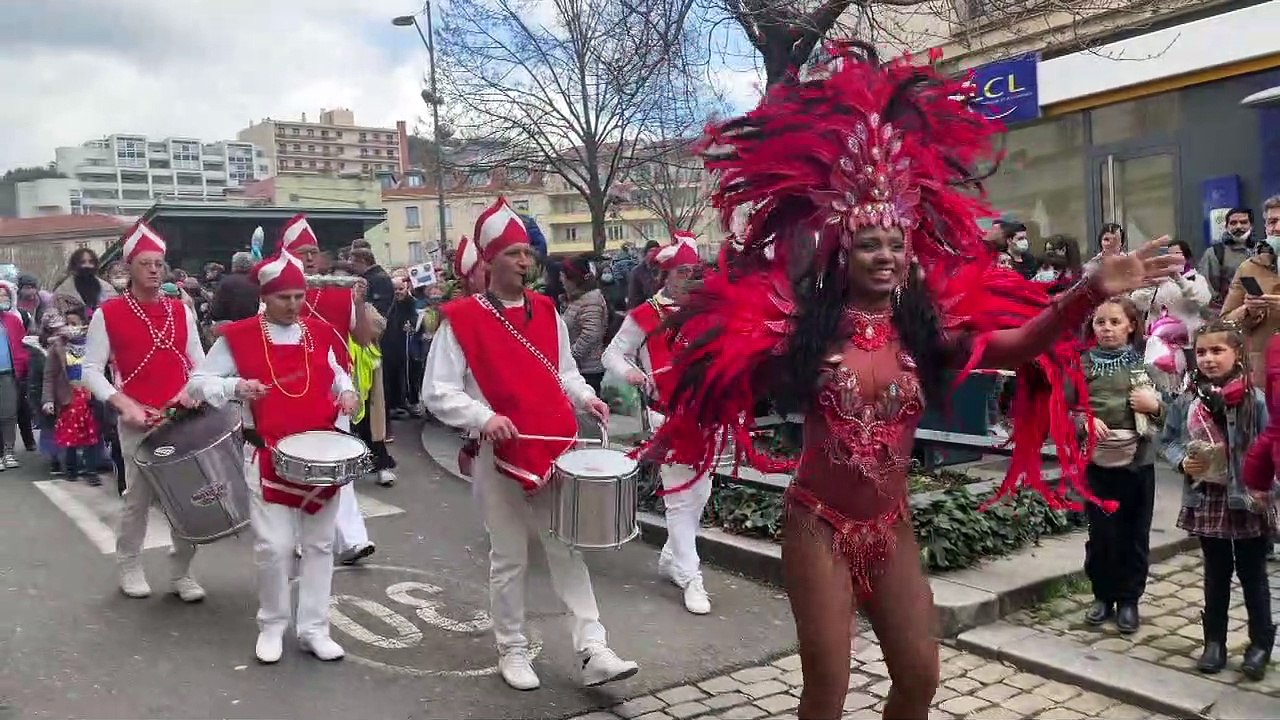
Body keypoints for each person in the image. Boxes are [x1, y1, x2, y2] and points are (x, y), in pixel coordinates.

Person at [638, 45, 1182, 720]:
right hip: (819, 526)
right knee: (827, 689)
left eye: (896, 245)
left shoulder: (927, 331)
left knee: (920, 678)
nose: (887, 256)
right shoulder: (802, 330)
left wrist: (1086, 290)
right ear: (844, 251)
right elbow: (723, 378)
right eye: (871, 245)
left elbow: (1016, 348)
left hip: (889, 526)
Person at [423, 196, 638, 692]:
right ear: (490, 259)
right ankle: (512, 648)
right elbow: (437, 391)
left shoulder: (546, 310)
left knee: (567, 548)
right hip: (496, 454)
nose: (525, 262)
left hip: (551, 446)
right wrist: (483, 417)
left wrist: (586, 396)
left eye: (528, 253)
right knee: (510, 556)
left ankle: (593, 648)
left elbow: (561, 370)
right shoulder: (461, 319)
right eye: (514, 253)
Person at [187, 251, 360, 664]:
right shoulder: (240, 336)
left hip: (320, 454)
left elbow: (338, 373)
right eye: (285, 297)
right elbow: (197, 383)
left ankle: (315, 628)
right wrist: (236, 389)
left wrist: (347, 392)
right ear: (266, 296)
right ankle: (272, 625)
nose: (295, 304)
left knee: (319, 546)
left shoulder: (318, 332)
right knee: (275, 547)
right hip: (265, 455)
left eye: (300, 296)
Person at [82, 221, 206, 601]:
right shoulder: (109, 314)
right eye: (145, 263)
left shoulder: (181, 311)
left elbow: (199, 363)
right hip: (137, 421)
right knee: (136, 499)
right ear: (128, 268)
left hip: (182, 420)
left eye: (159, 264)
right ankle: (129, 563)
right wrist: (123, 404)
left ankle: (182, 570)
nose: (154, 270)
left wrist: (191, 394)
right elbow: (89, 370)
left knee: (187, 499)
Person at [602, 233, 711, 615]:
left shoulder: (707, 309)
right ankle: (690, 574)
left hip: (707, 413)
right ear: (667, 274)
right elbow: (613, 354)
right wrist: (632, 375)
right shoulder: (645, 315)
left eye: (695, 271)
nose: (690, 278)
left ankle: (671, 556)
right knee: (680, 496)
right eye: (683, 272)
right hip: (665, 413)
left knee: (701, 492)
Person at [1162, 320, 1272, 680]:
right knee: (1216, 573)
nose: (1208, 358)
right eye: (1202, 352)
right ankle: (1215, 641)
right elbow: (1170, 438)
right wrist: (1183, 460)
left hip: (1248, 498)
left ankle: (1260, 643)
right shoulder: (1188, 399)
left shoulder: (1257, 399)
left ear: (1237, 353)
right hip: (1207, 497)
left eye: (1217, 350)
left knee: (1253, 573)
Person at [278, 215, 377, 565]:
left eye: (313, 252)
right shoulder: (277, 296)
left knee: (340, 465)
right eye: (301, 251)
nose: (308, 258)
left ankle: (352, 540)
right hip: (291, 392)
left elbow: (364, 339)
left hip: (337, 390)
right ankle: (301, 537)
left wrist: (360, 303)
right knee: (298, 465)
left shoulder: (339, 292)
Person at [1077, 297, 1165, 633]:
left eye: (1115, 322)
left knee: (1134, 533)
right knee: (1101, 534)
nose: (1107, 329)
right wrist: (1083, 421)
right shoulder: (1082, 365)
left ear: (1131, 326)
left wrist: (1154, 405)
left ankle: (1129, 600)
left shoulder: (1146, 365)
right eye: (1101, 322)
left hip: (1137, 463)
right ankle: (1102, 595)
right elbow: (1064, 407)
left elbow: (1172, 412)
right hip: (1097, 463)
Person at [44, 309, 103, 484]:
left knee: (92, 435)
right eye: (67, 324)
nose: (71, 328)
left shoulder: (94, 345)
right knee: (70, 436)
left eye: (74, 324)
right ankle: (71, 470)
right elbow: (49, 376)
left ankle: (91, 471)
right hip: (68, 398)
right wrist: (47, 400)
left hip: (90, 397)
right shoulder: (57, 347)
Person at [561, 255, 608, 395]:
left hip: (588, 369)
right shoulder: (578, 299)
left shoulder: (590, 300)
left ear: (573, 279)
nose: (561, 280)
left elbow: (591, 334)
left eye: (563, 276)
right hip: (581, 367)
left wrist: (571, 355)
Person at [1200, 208, 1256, 306]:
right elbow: (1207, 288)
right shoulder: (1215, 253)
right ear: (1226, 227)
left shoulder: (1261, 251)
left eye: (1243, 222)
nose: (1238, 226)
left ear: (1251, 226)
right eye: (1233, 223)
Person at [53, 247, 117, 319]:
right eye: (82, 262)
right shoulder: (63, 293)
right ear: (74, 266)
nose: (87, 265)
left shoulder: (108, 289)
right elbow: (53, 318)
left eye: (91, 262)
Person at [209, 252, 260, 326]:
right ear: (252, 265)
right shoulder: (259, 282)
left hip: (230, 327)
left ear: (234, 265)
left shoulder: (225, 283)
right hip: (253, 326)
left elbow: (216, 312)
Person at [626, 240, 662, 310]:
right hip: (643, 309)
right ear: (646, 253)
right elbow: (633, 296)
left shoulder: (663, 269)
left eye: (656, 251)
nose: (654, 253)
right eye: (651, 251)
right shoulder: (637, 272)